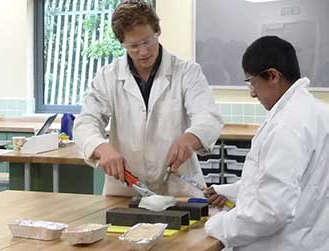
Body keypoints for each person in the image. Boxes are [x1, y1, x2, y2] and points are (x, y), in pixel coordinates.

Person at [73, 0, 222, 197]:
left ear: (157, 31)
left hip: (178, 191)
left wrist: (190, 139)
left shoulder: (186, 72)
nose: (143, 52)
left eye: (147, 41)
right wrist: (101, 147)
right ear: (122, 43)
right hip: (126, 191)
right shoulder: (108, 77)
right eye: (133, 46)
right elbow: (86, 122)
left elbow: (208, 117)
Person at [204, 35, 329, 250]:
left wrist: (219, 225)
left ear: (273, 76)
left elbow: (272, 210)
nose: (252, 93)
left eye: (253, 82)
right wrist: (229, 191)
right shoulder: (317, 112)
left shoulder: (287, 126)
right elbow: (293, 184)